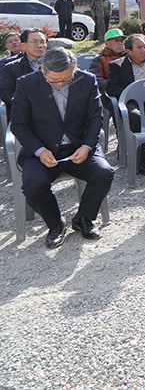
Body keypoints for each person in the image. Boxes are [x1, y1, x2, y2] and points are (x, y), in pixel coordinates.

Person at [10, 47, 113, 248]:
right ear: (42, 70)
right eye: (54, 80)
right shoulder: (26, 84)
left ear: (74, 70)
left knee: (104, 173)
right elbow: (18, 125)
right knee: (33, 186)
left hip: (78, 147)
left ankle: (83, 219)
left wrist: (85, 146)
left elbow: (95, 119)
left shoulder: (87, 80)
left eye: (66, 79)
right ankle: (56, 224)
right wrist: (39, 150)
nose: (60, 84)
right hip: (42, 150)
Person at [108, 34, 145, 175]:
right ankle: (143, 161)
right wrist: (132, 93)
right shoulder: (117, 66)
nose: (144, 50)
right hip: (133, 104)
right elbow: (111, 88)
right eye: (140, 48)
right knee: (134, 117)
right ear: (129, 51)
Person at [0, 28, 47, 114]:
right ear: (23, 46)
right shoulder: (11, 68)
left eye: (42, 42)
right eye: (34, 42)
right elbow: (5, 93)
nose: (40, 45)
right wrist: (26, 103)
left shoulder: (55, 64)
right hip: (23, 114)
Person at [88, 28, 126, 96]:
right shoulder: (99, 59)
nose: (120, 43)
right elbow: (96, 80)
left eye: (122, 40)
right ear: (106, 43)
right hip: (110, 95)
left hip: (130, 92)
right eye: (116, 40)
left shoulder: (129, 57)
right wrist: (114, 86)